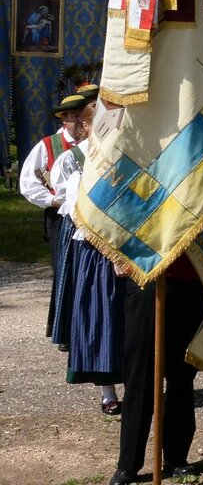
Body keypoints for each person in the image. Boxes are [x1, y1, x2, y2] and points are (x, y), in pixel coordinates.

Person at [109, 205, 203, 485]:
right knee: (139, 377)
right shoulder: (142, 188)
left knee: (182, 377)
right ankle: (128, 465)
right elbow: (110, 218)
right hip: (145, 288)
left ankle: (176, 458)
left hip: (191, 292)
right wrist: (117, 254)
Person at [49, 100, 123, 415]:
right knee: (100, 317)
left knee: (130, 320)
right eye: (104, 122)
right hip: (96, 249)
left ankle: (139, 384)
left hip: (128, 248)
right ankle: (108, 392)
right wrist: (110, 247)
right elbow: (78, 212)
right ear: (87, 126)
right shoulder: (76, 160)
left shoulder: (127, 156)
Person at [19, 93, 85, 343]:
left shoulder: (96, 143)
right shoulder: (49, 145)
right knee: (64, 268)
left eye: (83, 116)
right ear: (63, 119)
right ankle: (64, 329)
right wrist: (52, 200)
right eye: (75, 116)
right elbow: (28, 182)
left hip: (91, 217)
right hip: (60, 217)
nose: (80, 122)